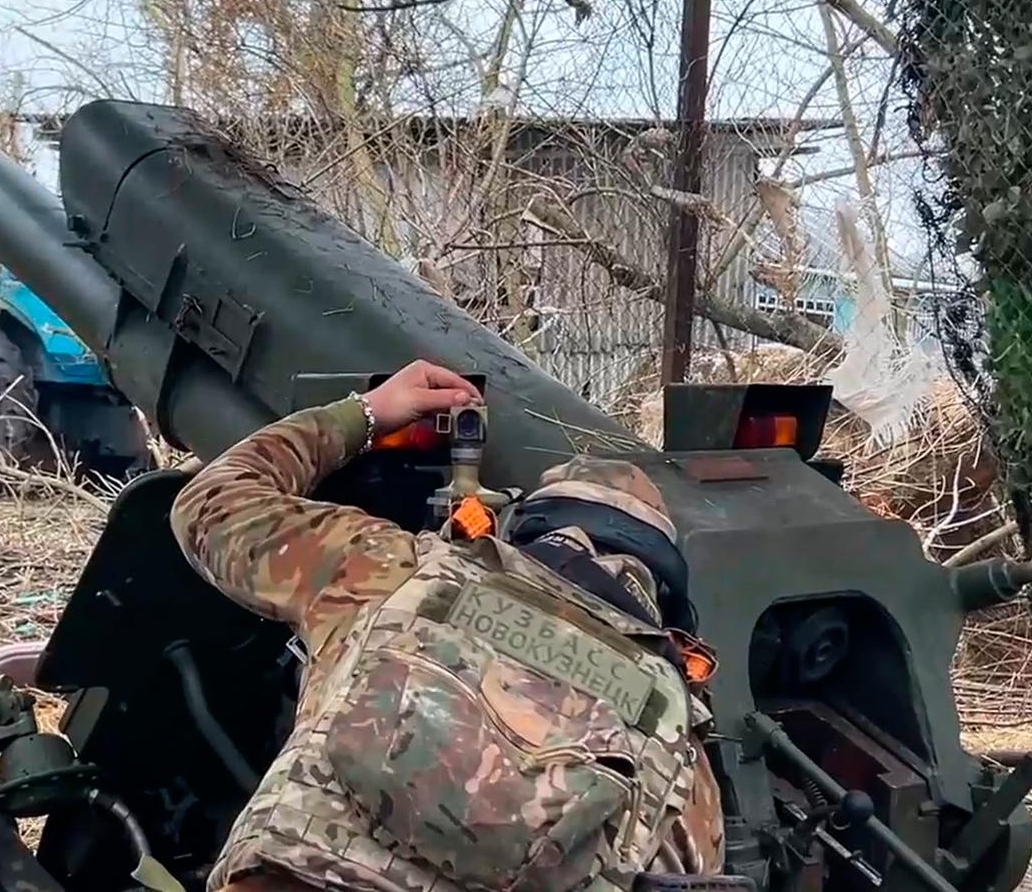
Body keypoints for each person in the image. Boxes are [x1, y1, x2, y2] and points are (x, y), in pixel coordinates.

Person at [171, 360, 728, 892]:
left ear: (520, 529)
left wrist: (366, 413)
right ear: (660, 592)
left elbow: (210, 504)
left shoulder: (391, 571)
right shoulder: (678, 748)